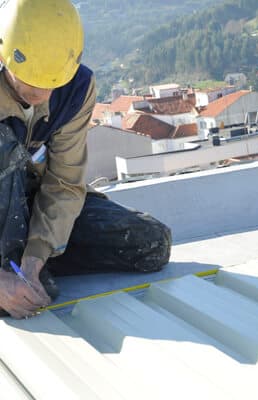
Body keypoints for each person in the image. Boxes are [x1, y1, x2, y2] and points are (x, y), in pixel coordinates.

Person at [0, 0, 172, 319]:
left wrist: (35, 258)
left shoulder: (77, 88)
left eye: (55, 83)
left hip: (34, 206)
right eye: (33, 83)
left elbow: (64, 183)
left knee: (150, 244)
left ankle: (28, 267)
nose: (45, 95)